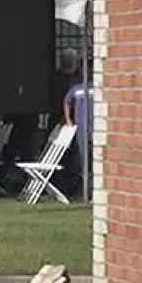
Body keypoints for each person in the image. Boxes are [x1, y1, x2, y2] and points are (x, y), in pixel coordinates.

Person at [60, 53, 91, 198]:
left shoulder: (97, 86)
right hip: (81, 128)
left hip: (95, 127)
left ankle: (90, 186)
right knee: (80, 157)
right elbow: (67, 102)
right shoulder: (76, 88)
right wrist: (68, 120)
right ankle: (81, 185)